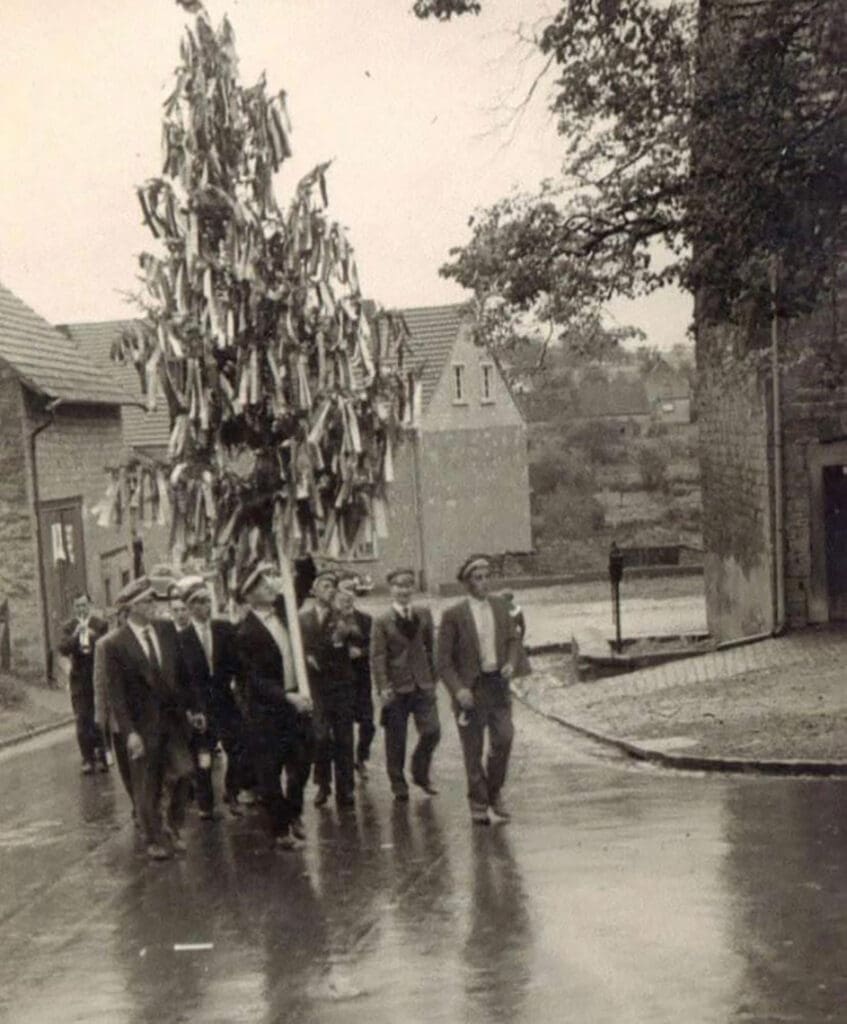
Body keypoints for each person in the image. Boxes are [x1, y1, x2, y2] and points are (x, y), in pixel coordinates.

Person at [103, 576, 207, 860]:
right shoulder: (116, 644)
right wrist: (129, 733)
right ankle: (154, 840)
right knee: (146, 785)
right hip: (142, 725)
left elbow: (183, 674)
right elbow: (116, 695)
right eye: (146, 601)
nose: (152, 605)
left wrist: (195, 709)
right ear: (132, 607)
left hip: (172, 721)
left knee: (185, 772)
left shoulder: (165, 629)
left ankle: (173, 825)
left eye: (152, 600)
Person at [437, 555, 521, 826]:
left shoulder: (500, 606)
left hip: (497, 685)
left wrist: (509, 662)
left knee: (505, 738)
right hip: (471, 691)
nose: (485, 583)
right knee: (472, 750)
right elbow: (443, 661)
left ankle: (494, 791)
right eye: (478, 578)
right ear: (466, 582)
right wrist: (458, 690)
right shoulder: (454, 615)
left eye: (487, 576)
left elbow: (513, 640)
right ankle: (478, 802)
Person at [236, 561, 314, 851]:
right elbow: (254, 680)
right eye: (262, 584)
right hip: (269, 711)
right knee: (270, 772)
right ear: (248, 595)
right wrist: (286, 696)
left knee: (304, 761)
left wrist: (300, 553)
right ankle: (281, 830)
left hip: (297, 698)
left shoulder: (284, 611)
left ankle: (293, 811)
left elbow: (305, 580)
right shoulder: (245, 633)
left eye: (269, 581)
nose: (270, 586)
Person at [177, 575, 248, 820]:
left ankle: (233, 792)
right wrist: (191, 709)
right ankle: (206, 804)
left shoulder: (223, 630)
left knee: (237, 747)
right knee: (204, 756)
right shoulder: (182, 639)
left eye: (207, 601)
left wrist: (241, 692)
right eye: (199, 602)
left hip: (225, 700)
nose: (205, 607)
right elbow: (181, 680)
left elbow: (238, 664)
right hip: (200, 706)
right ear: (189, 607)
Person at [370, 568, 440, 803]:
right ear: (391, 589)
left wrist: (432, 677)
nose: (404, 590)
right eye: (398, 585)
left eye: (408, 585)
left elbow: (431, 647)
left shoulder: (423, 613)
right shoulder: (381, 621)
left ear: (413, 588)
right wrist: (383, 687)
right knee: (396, 740)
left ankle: (420, 772)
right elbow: (378, 656)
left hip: (422, 684)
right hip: (396, 688)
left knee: (432, 731)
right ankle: (398, 783)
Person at [300, 571, 356, 809]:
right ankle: (323, 783)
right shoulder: (302, 618)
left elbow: (357, 636)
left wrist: (345, 636)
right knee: (321, 737)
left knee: (344, 737)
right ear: (314, 590)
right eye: (325, 585)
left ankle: (346, 790)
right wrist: (306, 657)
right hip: (316, 687)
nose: (330, 589)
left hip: (340, 684)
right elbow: (298, 646)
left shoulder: (343, 614)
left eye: (333, 585)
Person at [58, 592, 109, 774]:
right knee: (81, 718)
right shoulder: (68, 627)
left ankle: (102, 756)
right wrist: (75, 635)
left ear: (89, 605)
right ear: (74, 608)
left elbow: (106, 646)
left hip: (96, 677)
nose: (81, 609)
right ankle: (86, 759)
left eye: (83, 605)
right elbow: (63, 649)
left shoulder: (100, 624)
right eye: (78, 606)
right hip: (79, 679)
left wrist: (92, 636)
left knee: (99, 718)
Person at [93, 601, 134, 814]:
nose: (128, 620)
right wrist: (101, 715)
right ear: (119, 617)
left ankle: (146, 805)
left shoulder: (144, 638)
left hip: (144, 714)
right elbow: (99, 682)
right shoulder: (105, 645)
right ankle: (138, 804)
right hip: (119, 717)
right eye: (124, 615)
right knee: (126, 765)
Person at [337, 578, 375, 779]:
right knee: (344, 727)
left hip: (361, 679)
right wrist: (344, 653)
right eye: (343, 594)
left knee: (368, 723)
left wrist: (361, 652)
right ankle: (345, 767)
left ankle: (361, 758)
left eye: (351, 594)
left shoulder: (366, 619)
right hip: (340, 680)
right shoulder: (331, 620)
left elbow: (375, 646)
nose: (347, 598)